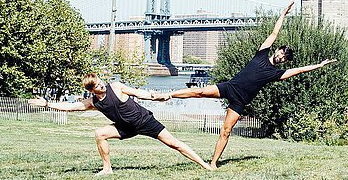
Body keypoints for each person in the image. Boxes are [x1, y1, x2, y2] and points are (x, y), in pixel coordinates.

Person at [153, 1, 336, 168]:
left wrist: (318, 65)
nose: (281, 57)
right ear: (278, 50)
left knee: (226, 131)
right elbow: (274, 33)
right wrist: (283, 15)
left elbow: (300, 70)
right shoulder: (262, 53)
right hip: (230, 87)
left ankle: (213, 163)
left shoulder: (277, 74)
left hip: (240, 101)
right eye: (281, 52)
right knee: (199, 92)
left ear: (284, 61)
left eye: (284, 58)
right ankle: (169, 95)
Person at [29, 75, 213, 175]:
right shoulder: (93, 102)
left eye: (101, 83)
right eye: (98, 86)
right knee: (100, 133)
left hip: (145, 121)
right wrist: (46, 104)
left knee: (175, 144)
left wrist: (157, 96)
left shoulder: (116, 87)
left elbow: (139, 93)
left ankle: (205, 165)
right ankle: (107, 169)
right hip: (125, 128)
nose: (102, 86)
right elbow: (69, 107)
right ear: (91, 90)